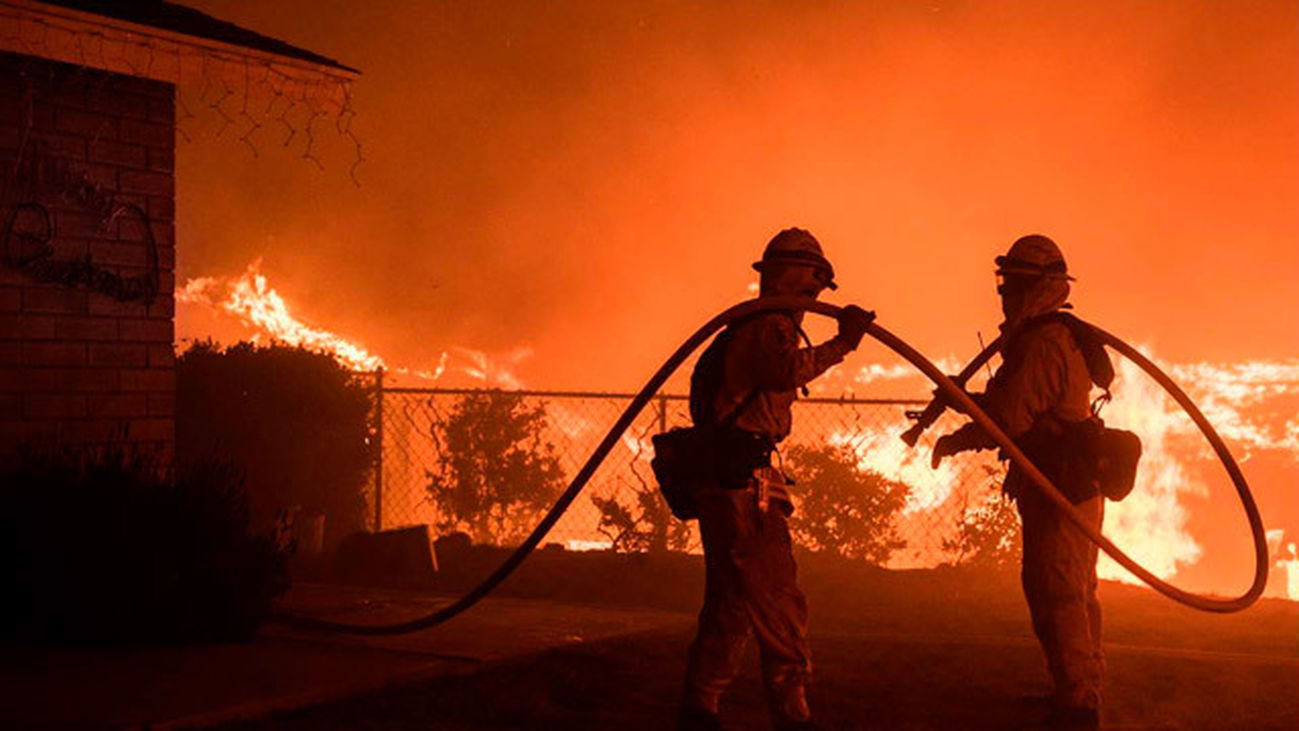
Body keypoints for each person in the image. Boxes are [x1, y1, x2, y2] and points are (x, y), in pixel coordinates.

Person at [678, 227, 874, 731]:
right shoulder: (770, 329)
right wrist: (843, 344)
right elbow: (784, 371)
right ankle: (792, 715)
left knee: (732, 598)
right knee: (778, 597)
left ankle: (701, 707)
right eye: (811, 291)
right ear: (800, 280)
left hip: (735, 475)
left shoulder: (754, 324)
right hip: (743, 481)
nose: (812, 303)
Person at [930, 234, 1105, 730]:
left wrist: (960, 435)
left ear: (1041, 287)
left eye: (1016, 286)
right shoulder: (1036, 341)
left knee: (1062, 592)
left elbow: (1009, 417)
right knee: (1058, 589)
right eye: (1006, 285)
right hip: (1054, 483)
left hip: (1061, 484)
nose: (1006, 295)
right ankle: (1074, 690)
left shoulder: (1046, 343)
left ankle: (1079, 705)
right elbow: (1012, 408)